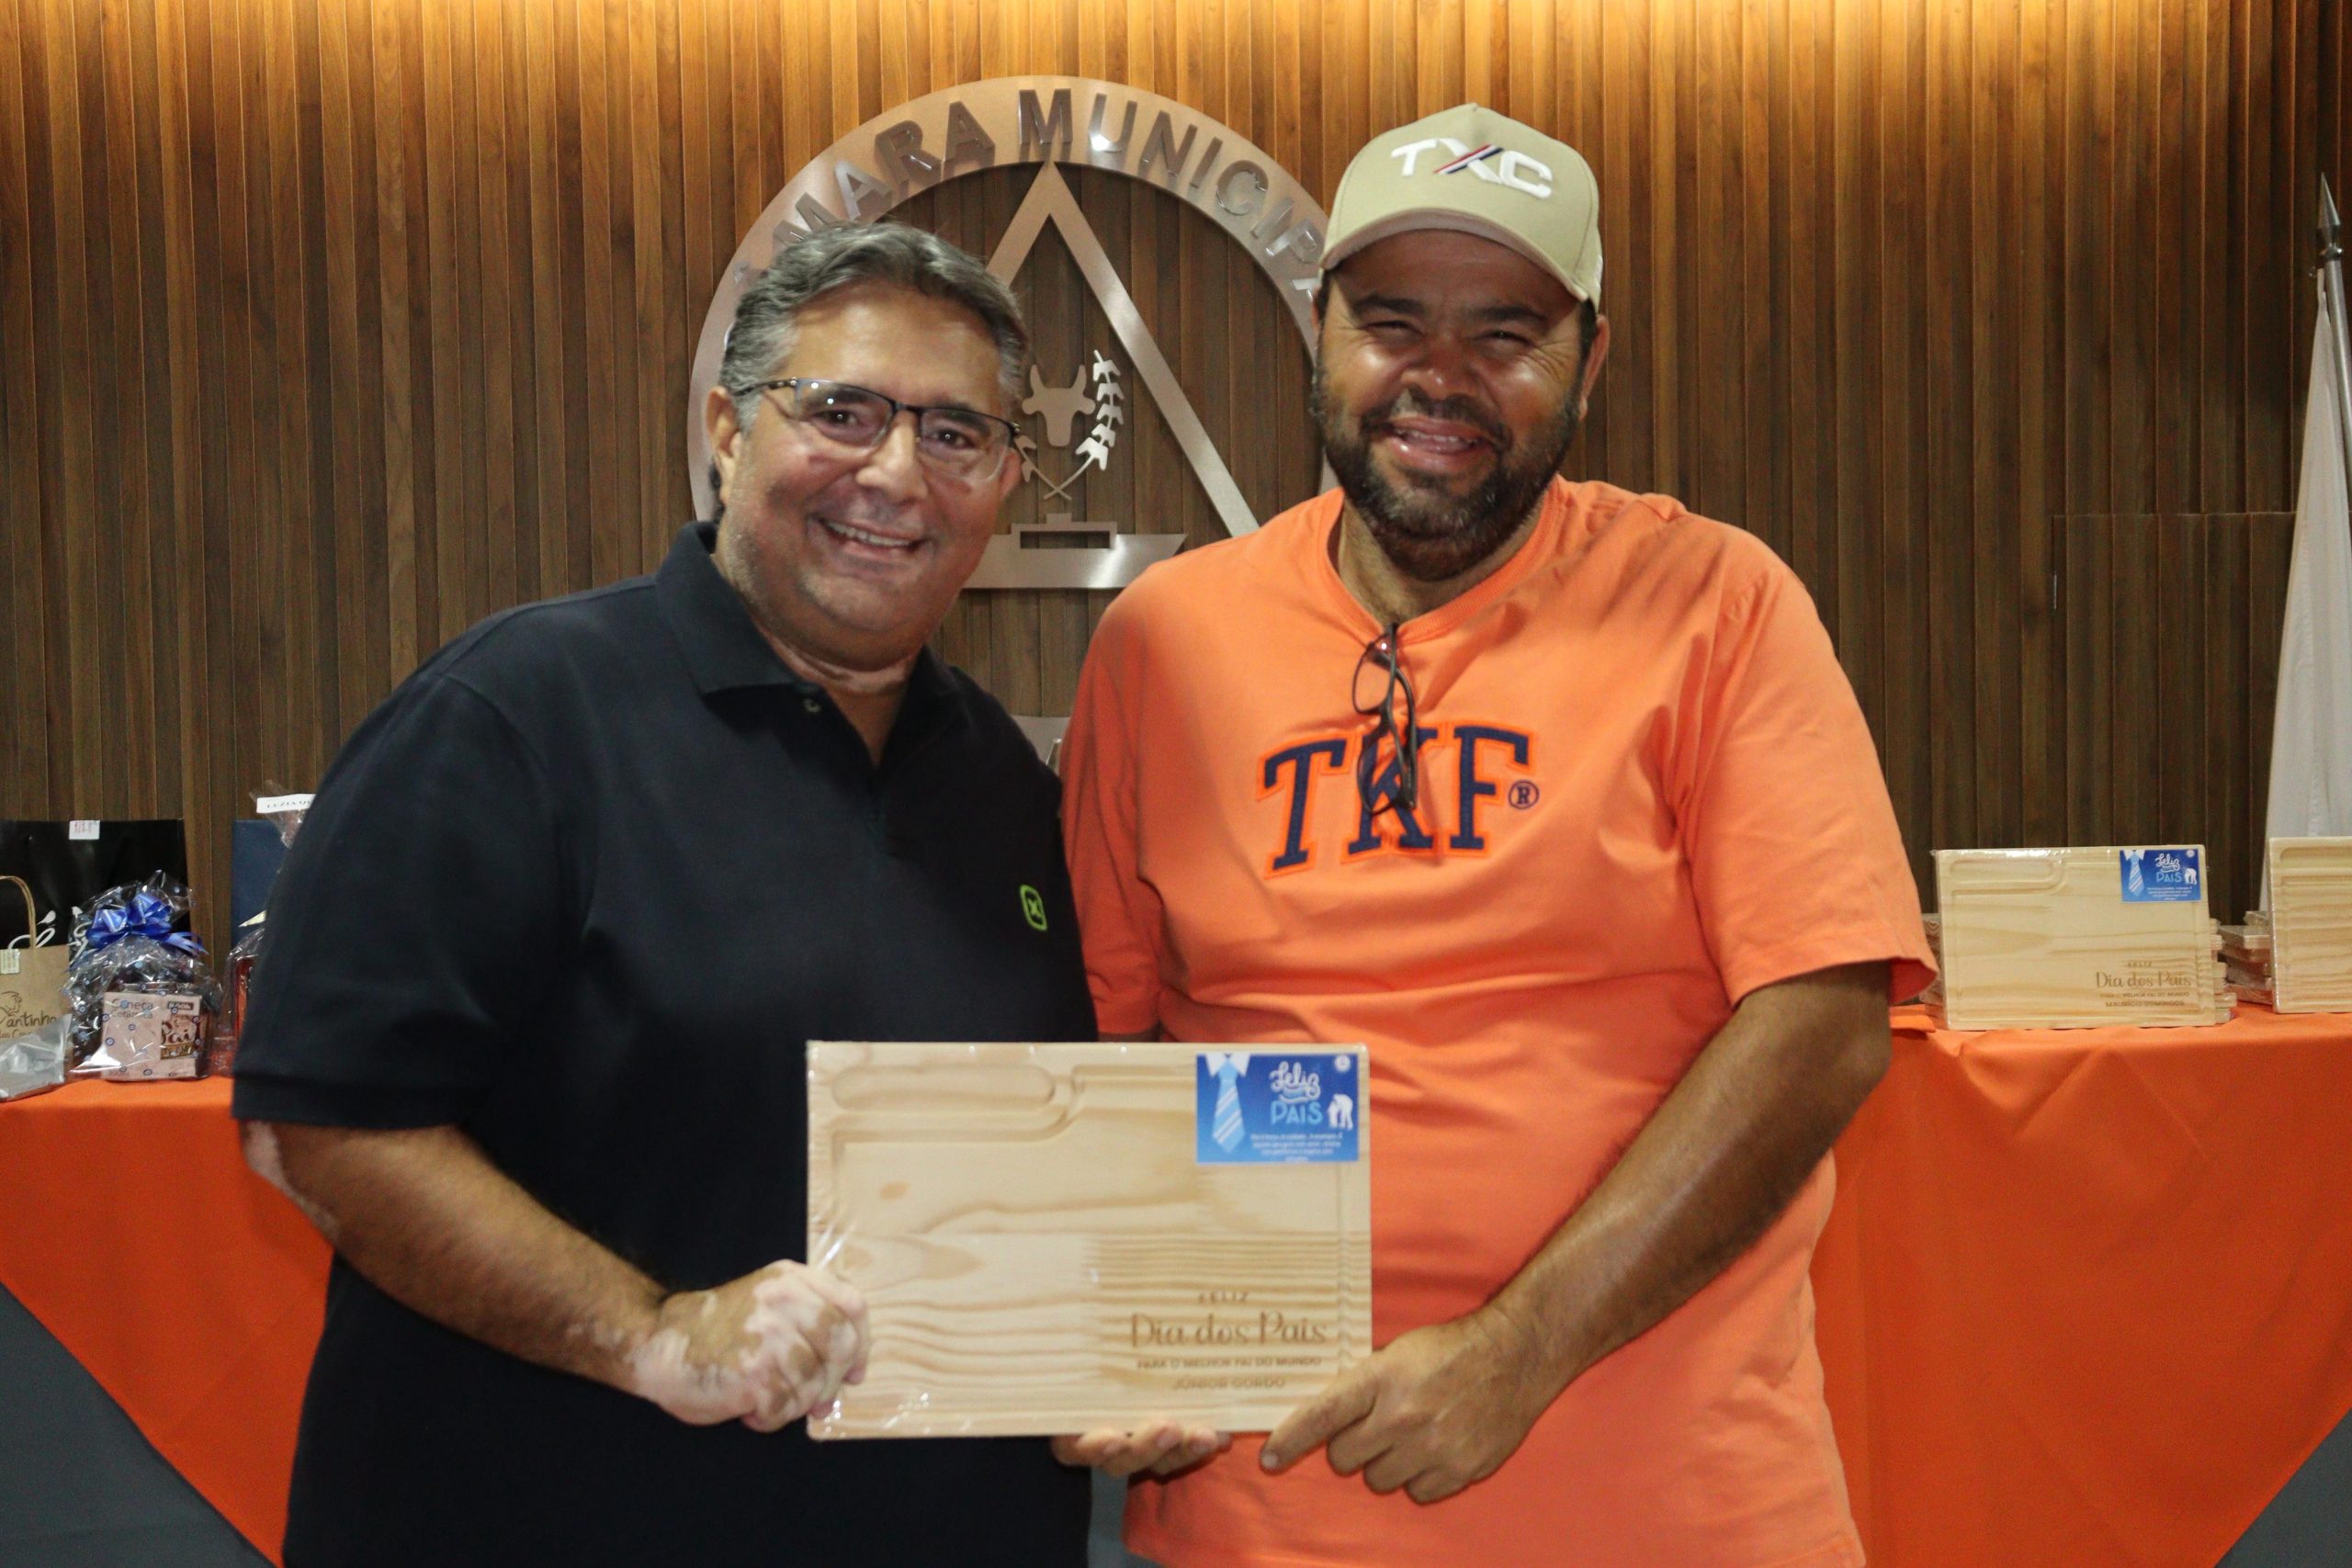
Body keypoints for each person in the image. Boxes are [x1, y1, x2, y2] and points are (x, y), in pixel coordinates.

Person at [1056, 104, 1936, 1566]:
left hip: (1671, 1508)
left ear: (1592, 358)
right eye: (1392, 321)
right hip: (1262, 1511)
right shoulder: (1162, 640)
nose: (1440, 376)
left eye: (1506, 333)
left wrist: (1516, 1352)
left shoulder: (1717, 603)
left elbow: (1824, 1019)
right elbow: (1104, 1047)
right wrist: (1117, 1324)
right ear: (1320, 335)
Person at [233, 222, 1096, 1566]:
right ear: (727, 431)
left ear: (1004, 480)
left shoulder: (1001, 775)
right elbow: (322, 1127)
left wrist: (1120, 1346)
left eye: (955, 434)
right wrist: (649, 1333)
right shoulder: (511, 718)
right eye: (843, 411)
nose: (894, 473)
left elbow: (1039, 1157)